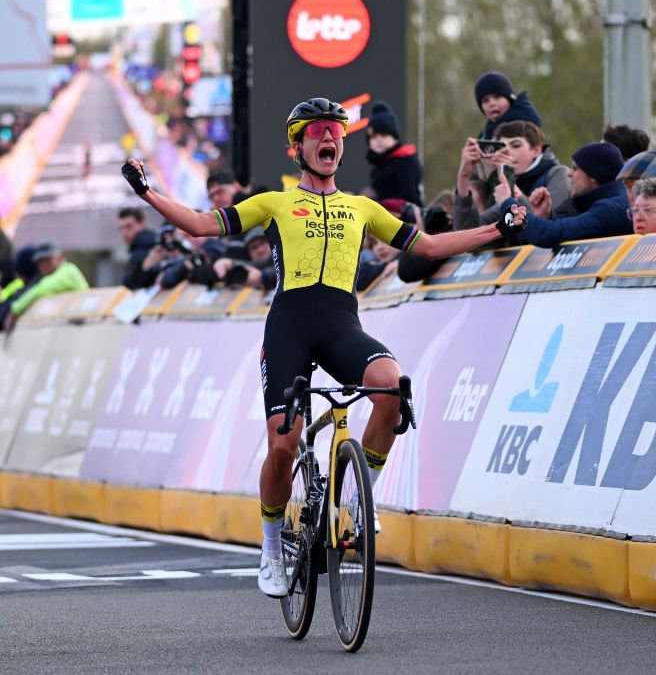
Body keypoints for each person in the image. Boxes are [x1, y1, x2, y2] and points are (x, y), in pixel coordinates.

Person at [121, 97, 526, 598]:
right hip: (288, 330)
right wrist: (147, 192)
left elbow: (428, 247)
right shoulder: (272, 202)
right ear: (297, 147)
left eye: (335, 131)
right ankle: (271, 547)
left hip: (340, 327)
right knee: (283, 445)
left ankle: (356, 503)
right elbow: (203, 225)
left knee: (393, 390)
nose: (328, 138)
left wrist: (497, 228)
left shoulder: (363, 208)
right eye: (316, 132)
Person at [498, 141, 630, 247]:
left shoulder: (610, 209)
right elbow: (568, 236)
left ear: (593, 176)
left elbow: (547, 234)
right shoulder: (610, 202)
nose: (569, 174)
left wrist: (507, 204)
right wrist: (547, 216)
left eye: (575, 168)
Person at [365, 100, 422, 206]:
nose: (378, 140)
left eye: (383, 135)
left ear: (394, 138)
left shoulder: (405, 163)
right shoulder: (379, 166)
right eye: (373, 137)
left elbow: (408, 200)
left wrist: (375, 204)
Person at [473, 70, 542, 140]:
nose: (491, 104)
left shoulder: (524, 125)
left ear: (509, 99)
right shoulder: (486, 133)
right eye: (485, 101)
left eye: (497, 97)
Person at [118, 207, 159, 290]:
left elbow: (131, 281)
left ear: (142, 224)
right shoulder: (139, 246)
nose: (125, 233)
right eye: (122, 228)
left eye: (129, 227)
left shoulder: (143, 245)